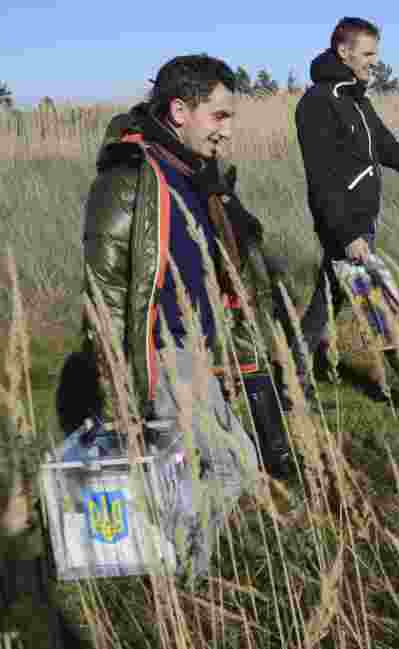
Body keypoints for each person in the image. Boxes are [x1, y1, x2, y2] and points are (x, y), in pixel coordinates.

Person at [73, 54, 290, 576]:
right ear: (178, 110)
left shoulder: (194, 174)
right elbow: (102, 293)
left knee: (218, 465)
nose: (227, 129)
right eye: (219, 116)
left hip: (195, 349)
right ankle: (179, 575)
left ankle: (181, 570)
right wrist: (116, 389)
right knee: (229, 464)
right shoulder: (129, 181)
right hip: (162, 354)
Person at [296, 16, 399, 416]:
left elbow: (388, 149)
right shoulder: (319, 103)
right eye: (368, 53)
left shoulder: (356, 99)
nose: (374, 62)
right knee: (382, 309)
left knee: (323, 308)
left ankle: (290, 383)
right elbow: (323, 179)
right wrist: (346, 234)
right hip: (346, 229)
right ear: (344, 51)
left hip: (360, 225)